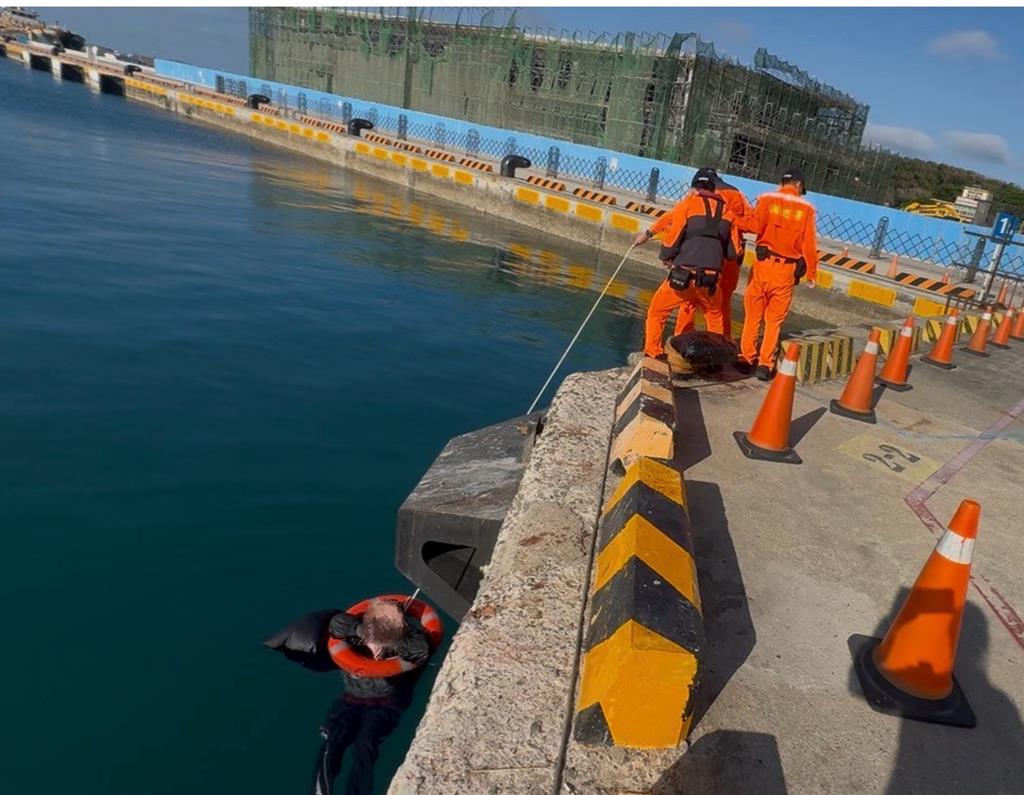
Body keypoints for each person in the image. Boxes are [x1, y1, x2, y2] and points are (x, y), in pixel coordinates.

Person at [311, 599, 433, 795]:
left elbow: (422, 650)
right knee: (332, 742)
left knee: (365, 747)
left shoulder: (411, 640)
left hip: (387, 705)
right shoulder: (355, 633)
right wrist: (368, 635)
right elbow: (336, 623)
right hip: (351, 699)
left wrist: (387, 641)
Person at [634, 168, 738, 359]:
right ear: (714, 188)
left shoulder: (687, 205)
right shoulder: (728, 213)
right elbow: (733, 252)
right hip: (711, 281)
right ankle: (713, 361)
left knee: (657, 311)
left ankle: (653, 352)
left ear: (694, 187)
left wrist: (666, 258)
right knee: (714, 317)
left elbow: (672, 239)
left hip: (684, 277)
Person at [739, 167, 819, 380]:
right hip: (785, 271)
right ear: (799, 185)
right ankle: (765, 365)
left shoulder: (766, 199)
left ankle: (746, 358)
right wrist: (811, 273)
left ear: (782, 182)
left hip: (762, 266)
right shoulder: (807, 209)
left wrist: (733, 219)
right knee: (773, 321)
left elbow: (754, 226)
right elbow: (809, 244)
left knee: (752, 316)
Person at [672, 170, 753, 344]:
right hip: (729, 256)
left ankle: (681, 340)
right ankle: (723, 342)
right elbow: (750, 222)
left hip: (699, 256)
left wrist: (652, 233)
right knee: (721, 303)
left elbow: (678, 218)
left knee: (688, 301)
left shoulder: (696, 197)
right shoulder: (737, 194)